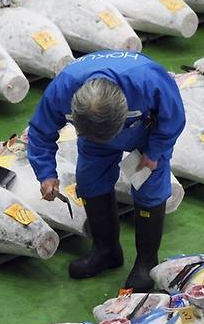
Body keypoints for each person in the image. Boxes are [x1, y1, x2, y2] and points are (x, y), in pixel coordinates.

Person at [27, 50, 186, 292]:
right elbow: (40, 132)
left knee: (150, 189)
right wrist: (46, 173)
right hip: (92, 140)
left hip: (144, 131)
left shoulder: (148, 80)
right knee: (90, 182)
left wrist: (154, 152)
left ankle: (146, 263)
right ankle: (106, 251)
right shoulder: (62, 89)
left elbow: (174, 117)